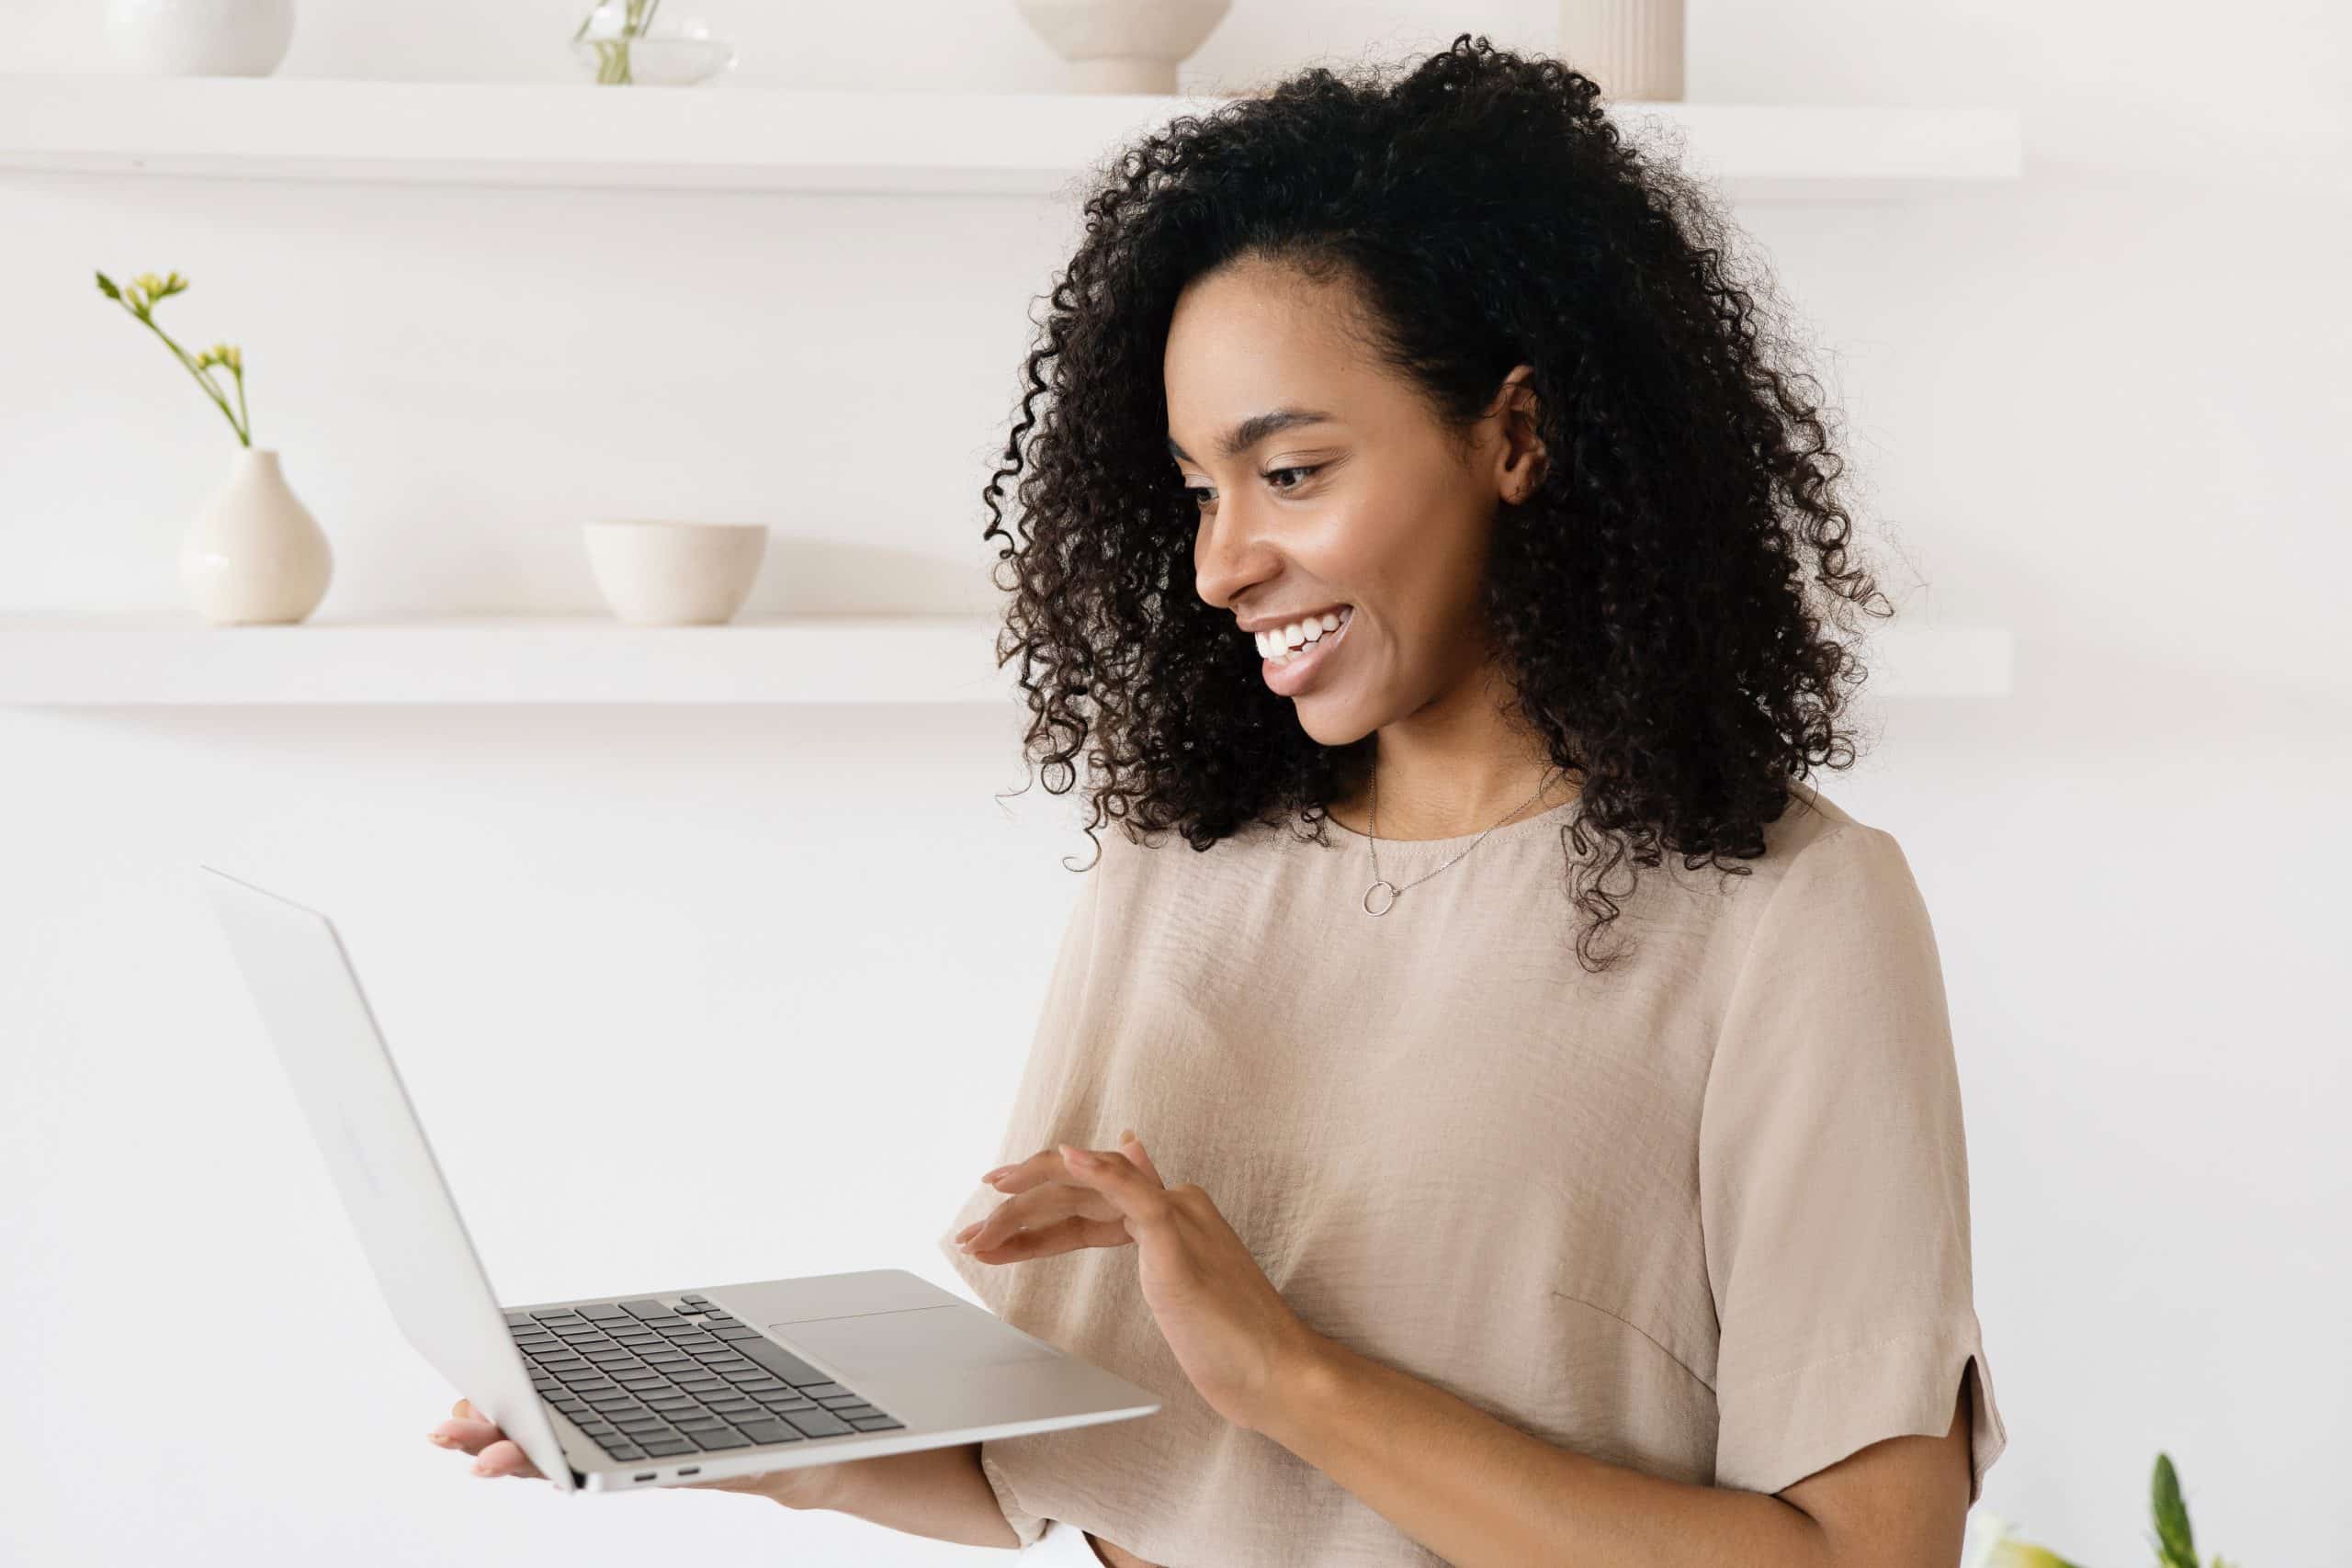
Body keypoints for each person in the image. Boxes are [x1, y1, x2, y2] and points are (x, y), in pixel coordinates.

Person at [431, 32, 2007, 1566]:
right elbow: (1070, 1462)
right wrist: (771, 1441)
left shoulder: (1788, 914)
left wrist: (1294, 1382)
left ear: (1516, 435)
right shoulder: (1179, 868)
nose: (1222, 561)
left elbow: (1871, 1556)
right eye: (1198, 489)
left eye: (1294, 473)